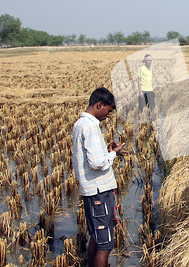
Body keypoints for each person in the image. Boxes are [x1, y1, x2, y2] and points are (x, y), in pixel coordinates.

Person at [72, 87, 127, 266]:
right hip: (99, 192)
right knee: (105, 245)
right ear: (99, 105)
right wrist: (111, 155)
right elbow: (97, 163)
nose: (108, 116)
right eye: (108, 111)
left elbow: (92, 158)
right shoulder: (90, 127)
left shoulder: (80, 124)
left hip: (92, 191)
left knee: (97, 238)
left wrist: (107, 151)